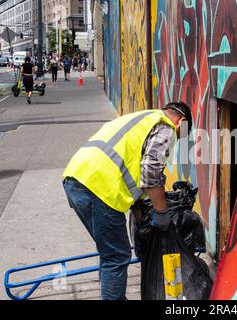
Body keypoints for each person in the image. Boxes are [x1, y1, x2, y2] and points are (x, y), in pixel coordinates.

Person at [62, 102, 192, 300]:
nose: (176, 140)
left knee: (109, 253)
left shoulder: (143, 118)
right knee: (116, 256)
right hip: (99, 187)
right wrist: (162, 212)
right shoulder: (166, 126)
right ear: (181, 122)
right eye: (181, 135)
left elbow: (131, 168)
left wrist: (140, 214)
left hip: (75, 179)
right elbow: (150, 171)